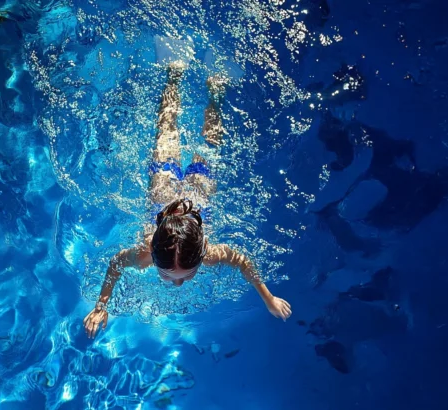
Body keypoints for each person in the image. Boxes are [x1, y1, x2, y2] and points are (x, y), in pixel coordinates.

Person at [83, 61, 293, 339]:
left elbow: (243, 261)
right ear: (153, 252)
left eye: (185, 275)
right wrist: (100, 307)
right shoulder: (147, 253)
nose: (178, 284)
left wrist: (269, 298)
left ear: (203, 249)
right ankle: (193, 83)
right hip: (196, 191)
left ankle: (192, 84)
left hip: (164, 185)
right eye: (168, 275)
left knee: (171, 134)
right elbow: (115, 264)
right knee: (202, 142)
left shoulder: (208, 254)